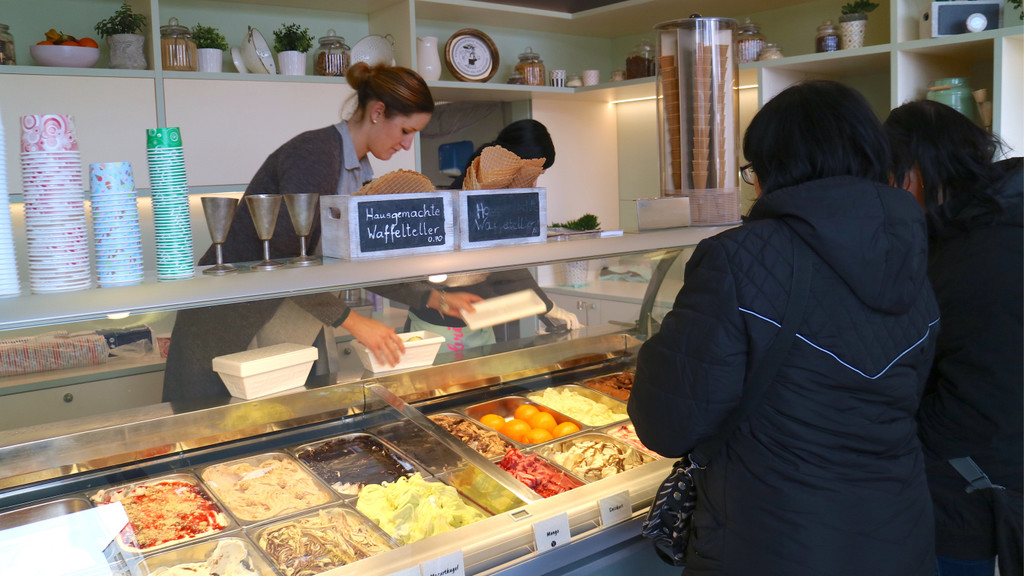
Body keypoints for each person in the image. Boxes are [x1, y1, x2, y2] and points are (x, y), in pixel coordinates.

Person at [627, 80, 940, 575]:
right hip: (898, 532)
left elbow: (667, 424)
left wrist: (656, 351)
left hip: (771, 541)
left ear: (774, 170)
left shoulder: (736, 258)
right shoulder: (915, 252)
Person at [163, 63, 434, 402]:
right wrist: (354, 321)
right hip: (227, 320)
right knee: (212, 424)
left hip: (281, 320)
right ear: (378, 112)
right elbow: (286, 261)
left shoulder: (361, 172)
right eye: (406, 131)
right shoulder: (316, 155)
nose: (407, 145)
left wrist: (429, 297)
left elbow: (360, 257)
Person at [884, 100, 1023, 576]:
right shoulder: (1001, 217)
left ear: (915, 173)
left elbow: (916, 369)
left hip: (965, 478)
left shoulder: (962, 256)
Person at [370, 119, 578, 353]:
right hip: (433, 331)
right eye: (534, 175)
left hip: (479, 329)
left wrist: (546, 306)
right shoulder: (456, 205)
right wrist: (546, 306)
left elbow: (507, 266)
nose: (534, 184)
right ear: (515, 166)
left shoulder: (497, 210)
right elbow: (505, 269)